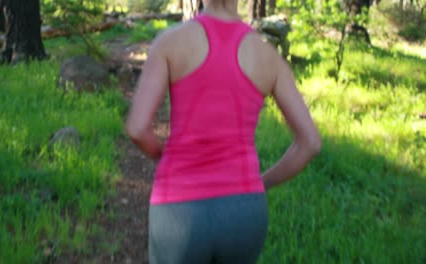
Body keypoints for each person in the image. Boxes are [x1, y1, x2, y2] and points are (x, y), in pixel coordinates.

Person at [126, 0, 321, 263]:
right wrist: (260, 183)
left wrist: (162, 153)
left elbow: (138, 129)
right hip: (244, 212)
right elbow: (310, 142)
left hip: (179, 212)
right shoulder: (267, 57)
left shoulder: (170, 42)